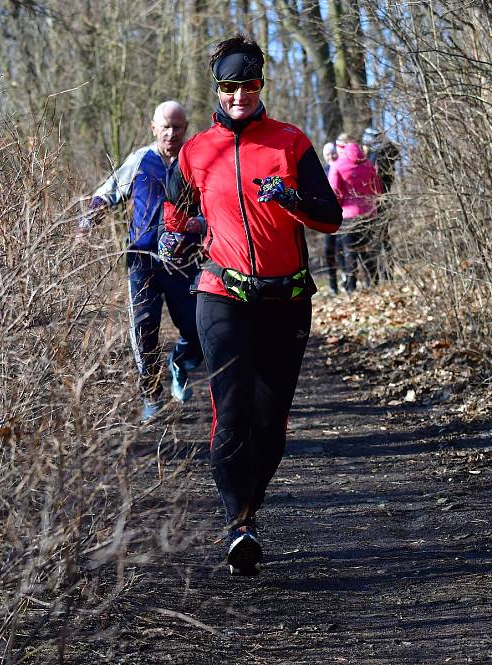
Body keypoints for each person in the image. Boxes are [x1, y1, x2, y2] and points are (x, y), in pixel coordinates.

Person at [163, 35, 342, 575]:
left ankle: (250, 508)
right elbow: (174, 217)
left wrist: (291, 200)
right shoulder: (197, 152)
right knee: (232, 412)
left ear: (262, 84)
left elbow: (330, 217)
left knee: (269, 422)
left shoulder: (290, 142)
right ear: (216, 89)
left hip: (286, 299)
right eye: (228, 86)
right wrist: (195, 231)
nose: (238, 94)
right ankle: (237, 523)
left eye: (248, 84)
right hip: (223, 297)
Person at [77, 100, 204, 423]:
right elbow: (107, 192)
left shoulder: (196, 162)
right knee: (144, 328)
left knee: (196, 327)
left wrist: (202, 223)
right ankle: (151, 394)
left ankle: (181, 360)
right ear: (153, 128)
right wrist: (87, 223)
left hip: (184, 260)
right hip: (142, 261)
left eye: (177, 127)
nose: (171, 133)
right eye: (165, 127)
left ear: (186, 128)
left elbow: (215, 205)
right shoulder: (140, 160)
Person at [328, 135, 382, 292]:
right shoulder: (368, 164)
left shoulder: (337, 165)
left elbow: (334, 193)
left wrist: (335, 210)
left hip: (348, 216)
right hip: (369, 214)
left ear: (341, 147)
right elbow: (377, 190)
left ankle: (351, 288)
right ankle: (373, 284)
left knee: (349, 252)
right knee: (368, 250)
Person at [361, 127, 400, 279]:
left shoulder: (375, 157)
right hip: (383, 200)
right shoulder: (387, 154)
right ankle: (386, 273)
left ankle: (382, 274)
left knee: (376, 238)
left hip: (376, 202)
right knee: (384, 238)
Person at [321, 141, 343, 293]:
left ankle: (347, 279)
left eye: (333, 153)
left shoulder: (342, 168)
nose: (331, 156)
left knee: (343, 250)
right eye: (328, 154)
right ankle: (333, 285)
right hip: (327, 218)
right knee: (329, 251)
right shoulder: (323, 171)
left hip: (344, 216)